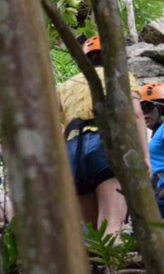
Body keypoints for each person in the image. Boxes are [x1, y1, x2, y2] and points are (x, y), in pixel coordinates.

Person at [57, 36, 147, 235]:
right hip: (106, 146)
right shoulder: (119, 76)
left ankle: (95, 267)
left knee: (91, 233)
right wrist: (145, 156)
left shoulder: (66, 85)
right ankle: (114, 267)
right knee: (111, 225)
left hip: (74, 150)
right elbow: (136, 114)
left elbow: (56, 125)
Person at [141, 82, 164, 217]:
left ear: (161, 108)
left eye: (147, 107)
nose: (143, 113)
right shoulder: (158, 132)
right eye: (140, 109)